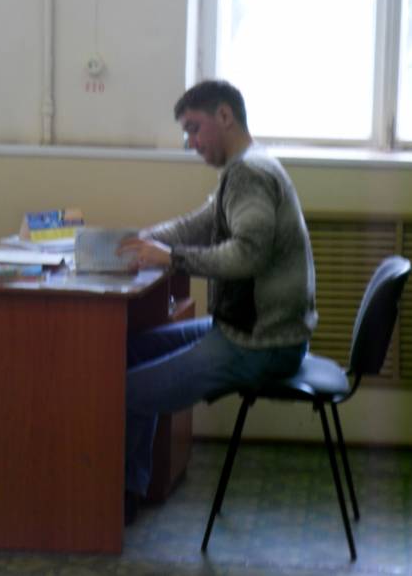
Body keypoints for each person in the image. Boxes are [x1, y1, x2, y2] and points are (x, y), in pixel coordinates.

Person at [117, 79, 318, 524]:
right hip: (250, 331)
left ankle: (122, 499)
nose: (191, 142)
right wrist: (144, 240)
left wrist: (173, 258)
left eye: (195, 128)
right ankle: (133, 486)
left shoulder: (250, 174)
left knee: (125, 392)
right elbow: (201, 222)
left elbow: (248, 255)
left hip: (261, 344)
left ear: (225, 116)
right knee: (131, 350)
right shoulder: (245, 168)